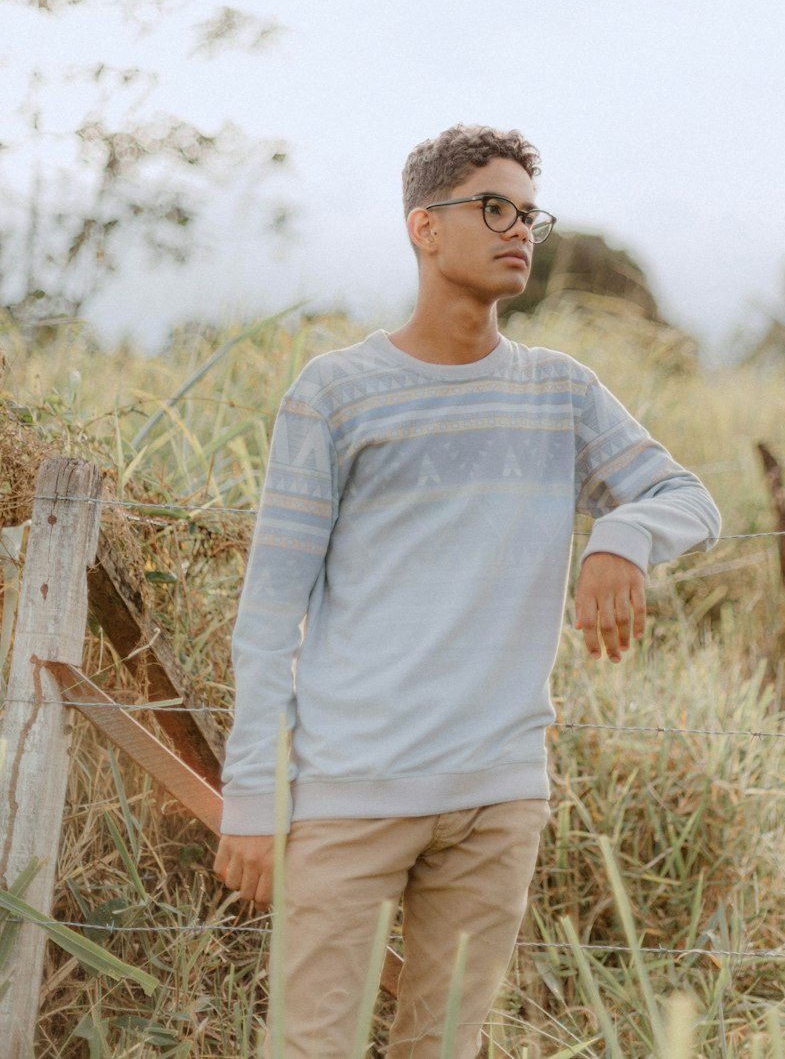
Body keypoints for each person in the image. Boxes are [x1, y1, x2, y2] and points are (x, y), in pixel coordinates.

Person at [214, 124, 721, 1058]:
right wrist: (251, 795)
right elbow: (269, 611)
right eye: (493, 208)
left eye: (529, 213)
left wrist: (622, 536)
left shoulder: (561, 392)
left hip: (497, 799)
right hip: (348, 794)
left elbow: (686, 496)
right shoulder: (335, 394)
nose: (518, 229)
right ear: (424, 227)